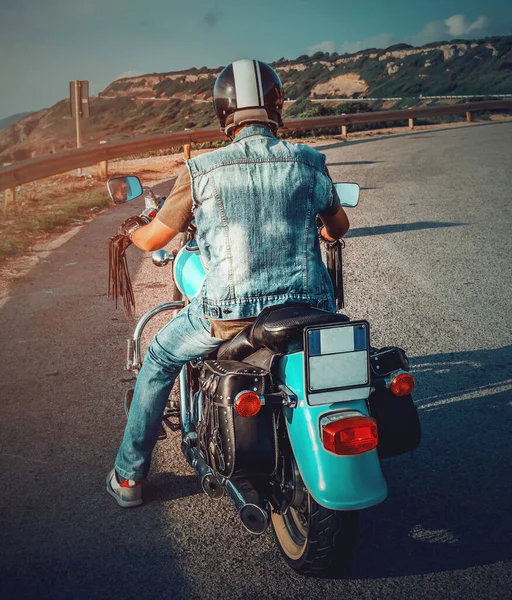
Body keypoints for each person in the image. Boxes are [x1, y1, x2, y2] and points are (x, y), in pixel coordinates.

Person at [106, 59, 350, 507]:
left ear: (224, 113)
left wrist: (131, 233)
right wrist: (321, 229)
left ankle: (128, 477)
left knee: (159, 358)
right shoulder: (310, 161)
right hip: (310, 307)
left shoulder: (201, 170)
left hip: (228, 314)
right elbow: (339, 226)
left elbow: (156, 237)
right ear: (278, 108)